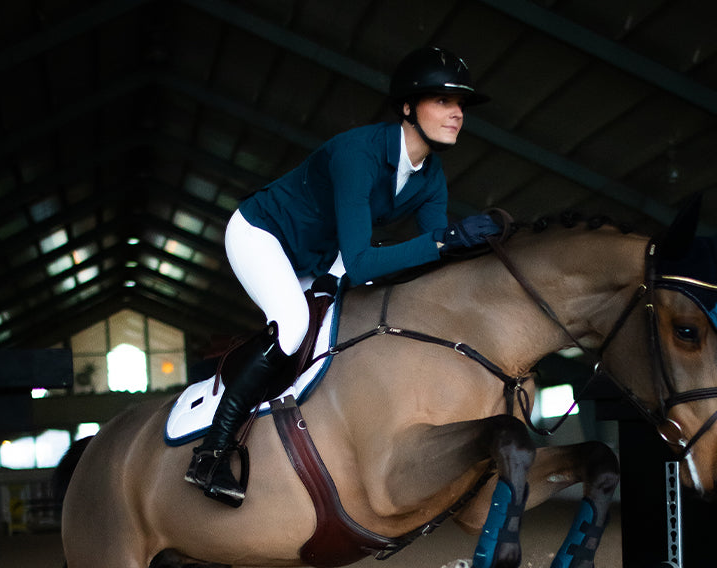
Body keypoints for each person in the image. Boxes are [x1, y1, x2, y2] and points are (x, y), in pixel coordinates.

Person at [185, 46, 502, 506]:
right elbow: (363, 262)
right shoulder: (358, 153)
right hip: (262, 234)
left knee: (342, 328)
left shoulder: (431, 176)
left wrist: (474, 248)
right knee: (293, 327)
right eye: (443, 102)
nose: (457, 114)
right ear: (408, 107)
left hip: (321, 254)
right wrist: (445, 240)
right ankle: (211, 452)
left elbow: (434, 255)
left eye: (461, 106)